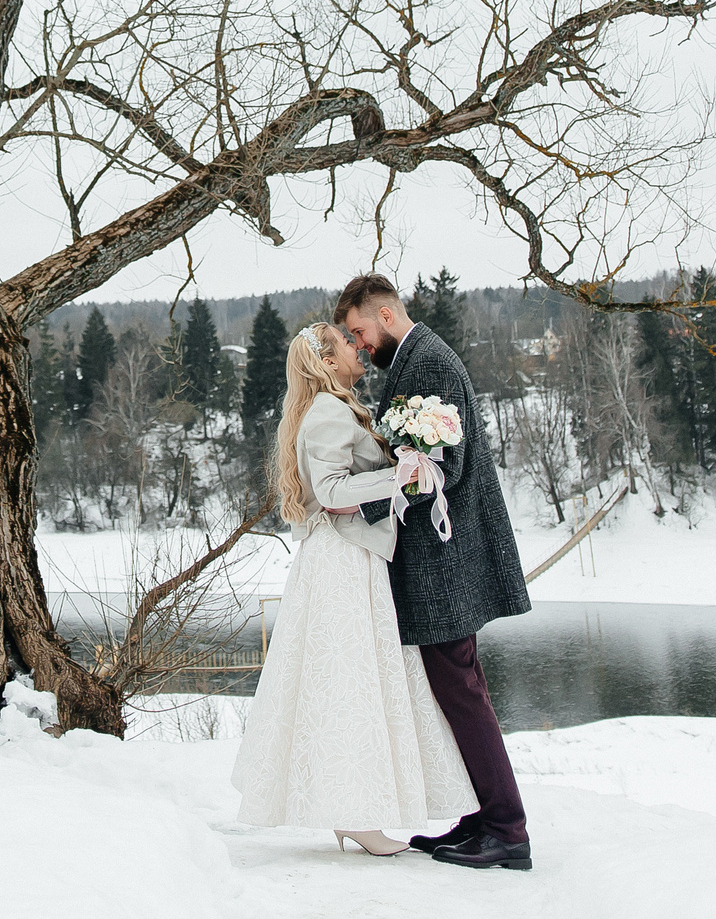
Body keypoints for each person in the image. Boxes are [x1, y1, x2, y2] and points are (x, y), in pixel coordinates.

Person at [229, 321, 476, 854]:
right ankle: (356, 815)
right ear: (327, 359)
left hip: (352, 557)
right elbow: (334, 492)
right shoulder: (325, 412)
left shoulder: (333, 409)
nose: (358, 347)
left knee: (353, 682)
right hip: (341, 559)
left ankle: (355, 812)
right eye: (347, 342)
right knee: (349, 681)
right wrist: (406, 477)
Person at [337, 271, 536, 871]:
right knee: (456, 685)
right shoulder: (417, 362)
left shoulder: (429, 365)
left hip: (450, 557)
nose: (359, 345)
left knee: (462, 687)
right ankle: (483, 817)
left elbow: (432, 470)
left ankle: (507, 828)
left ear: (386, 315)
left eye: (359, 330)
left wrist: (354, 501)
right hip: (445, 557)